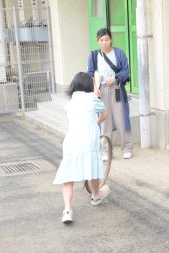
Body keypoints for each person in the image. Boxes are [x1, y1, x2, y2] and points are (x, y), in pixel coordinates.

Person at [53, 72, 110, 223]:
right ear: (88, 85)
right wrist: (95, 123)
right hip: (89, 141)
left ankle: (67, 211)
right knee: (92, 168)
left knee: (68, 177)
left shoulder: (70, 103)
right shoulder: (93, 99)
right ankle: (96, 195)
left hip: (71, 142)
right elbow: (105, 114)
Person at [87, 27, 132, 160]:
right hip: (102, 90)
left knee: (121, 118)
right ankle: (105, 151)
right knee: (105, 121)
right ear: (98, 41)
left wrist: (116, 77)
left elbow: (126, 71)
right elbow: (90, 74)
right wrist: (95, 87)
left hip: (117, 88)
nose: (104, 42)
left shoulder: (119, 53)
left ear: (111, 40)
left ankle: (127, 148)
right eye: (101, 40)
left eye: (106, 39)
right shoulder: (94, 55)